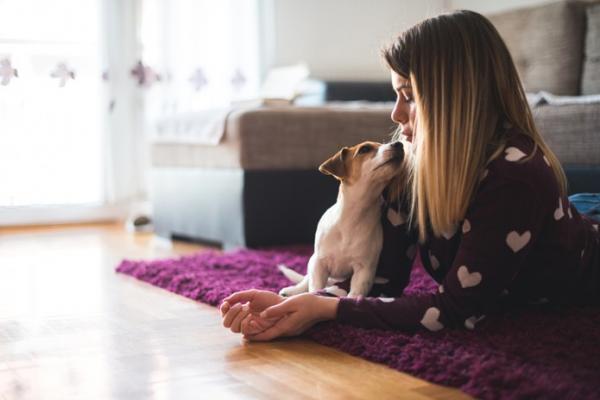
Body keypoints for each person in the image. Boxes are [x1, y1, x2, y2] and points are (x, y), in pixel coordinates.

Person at [220, 10, 600, 340]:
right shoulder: (408, 169)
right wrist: (301, 304)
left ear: (454, 98)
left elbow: (455, 312)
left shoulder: (515, 177)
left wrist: (326, 311)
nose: (395, 114)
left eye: (409, 95)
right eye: (396, 95)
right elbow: (384, 282)